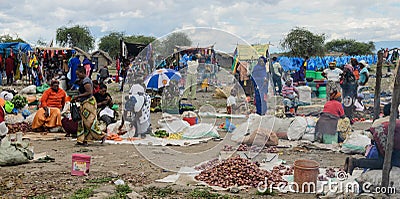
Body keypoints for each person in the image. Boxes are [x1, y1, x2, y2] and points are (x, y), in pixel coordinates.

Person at [73, 67, 106, 146]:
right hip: (84, 103)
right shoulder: (82, 81)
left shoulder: (86, 81)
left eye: (78, 74)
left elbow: (89, 92)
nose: (77, 76)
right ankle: (82, 140)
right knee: (82, 123)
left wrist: (78, 97)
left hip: (89, 104)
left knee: (89, 122)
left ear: (82, 73)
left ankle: (101, 135)